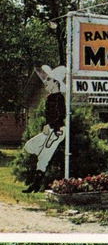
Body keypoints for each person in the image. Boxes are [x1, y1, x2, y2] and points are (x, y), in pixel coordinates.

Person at [22, 65, 67, 193]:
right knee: (29, 146)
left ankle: (35, 185)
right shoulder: (49, 98)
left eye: (48, 79)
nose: (46, 82)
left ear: (55, 82)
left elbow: (61, 115)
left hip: (57, 130)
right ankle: (36, 182)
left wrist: (51, 125)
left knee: (43, 158)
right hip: (50, 130)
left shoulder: (59, 98)